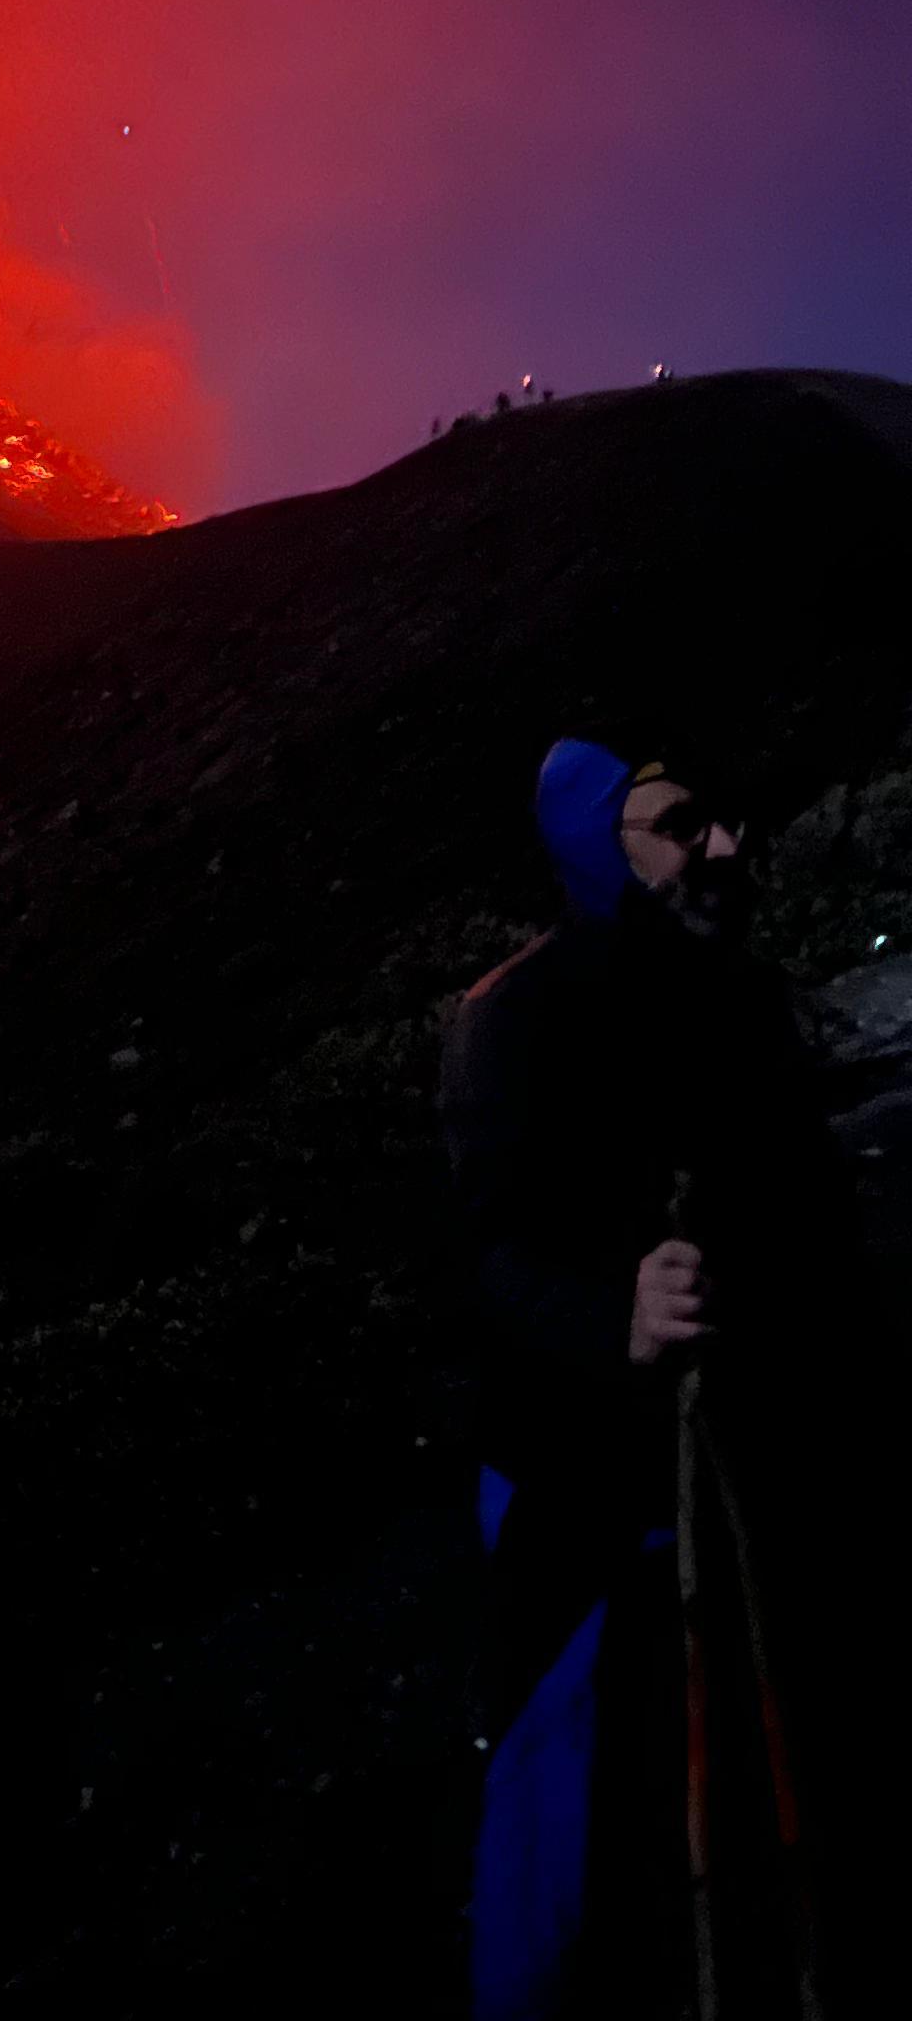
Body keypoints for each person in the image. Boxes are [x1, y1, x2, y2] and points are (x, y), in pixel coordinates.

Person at [441, 739, 878, 2018]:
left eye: (724, 822)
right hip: (586, 1486)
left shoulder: (734, 994)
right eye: (683, 827)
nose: (725, 848)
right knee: (588, 1799)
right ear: (600, 850)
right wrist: (609, 1317)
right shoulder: (513, 1019)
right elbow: (480, 1257)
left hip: (764, 1449)